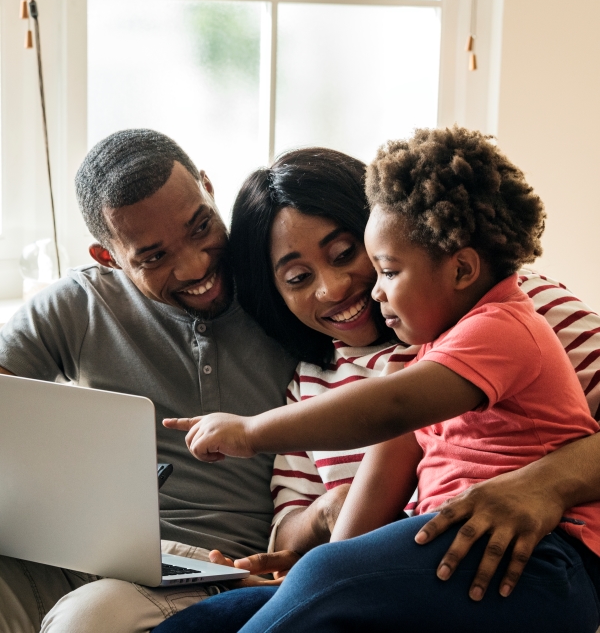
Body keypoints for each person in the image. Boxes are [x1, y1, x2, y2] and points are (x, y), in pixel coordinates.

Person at [160, 129, 600, 632]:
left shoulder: (509, 320)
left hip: (538, 561)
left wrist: (251, 431)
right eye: (298, 278)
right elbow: (375, 480)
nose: (353, 290)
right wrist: (313, 579)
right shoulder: (411, 361)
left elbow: (388, 409)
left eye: (364, 261)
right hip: (439, 562)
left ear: (461, 268)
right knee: (204, 621)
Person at [0, 129, 298, 633]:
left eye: (201, 227)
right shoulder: (82, 303)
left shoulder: (287, 290)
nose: (196, 265)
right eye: (154, 256)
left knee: (86, 622)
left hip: (206, 569)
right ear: (109, 258)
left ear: (207, 186)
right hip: (71, 551)